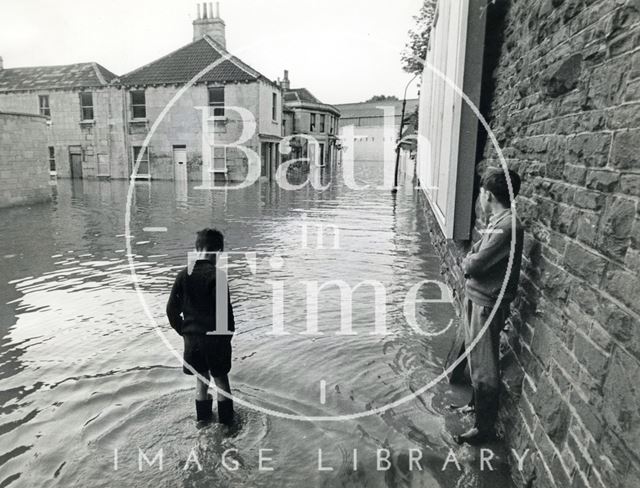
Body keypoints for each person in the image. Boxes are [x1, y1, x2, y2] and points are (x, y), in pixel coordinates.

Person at [454, 168, 524, 445]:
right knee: (474, 358)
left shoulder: (508, 226)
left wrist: (469, 262)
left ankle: (483, 429)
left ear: (489, 196)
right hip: (478, 296)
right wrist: (471, 259)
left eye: (482, 194)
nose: (480, 198)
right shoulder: (500, 220)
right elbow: (475, 253)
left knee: (484, 367)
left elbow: (475, 262)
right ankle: (473, 405)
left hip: (487, 303)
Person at [166, 228, 235, 427]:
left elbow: (171, 311)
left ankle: (202, 424)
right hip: (215, 340)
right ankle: (227, 428)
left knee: (201, 380)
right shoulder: (218, 277)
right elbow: (226, 318)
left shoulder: (182, 275)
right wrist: (226, 340)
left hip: (192, 340)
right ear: (219, 251)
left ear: (197, 249)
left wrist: (185, 331)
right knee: (221, 382)